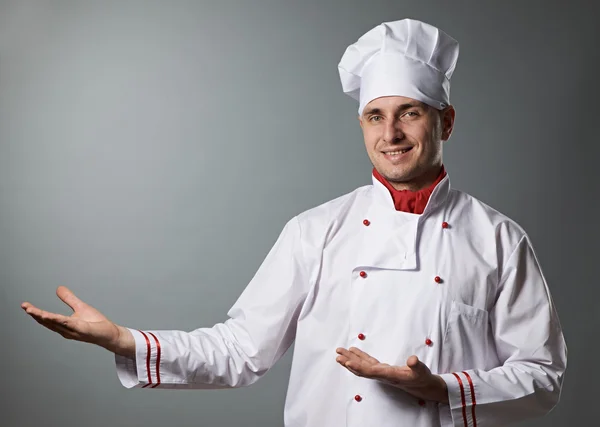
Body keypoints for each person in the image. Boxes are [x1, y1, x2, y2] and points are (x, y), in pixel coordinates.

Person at [21, 18, 567, 427]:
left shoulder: (499, 240)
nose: (391, 134)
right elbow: (239, 351)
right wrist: (122, 340)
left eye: (411, 112)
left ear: (445, 119)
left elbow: (542, 376)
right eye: (376, 116)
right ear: (361, 125)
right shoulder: (316, 230)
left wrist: (444, 388)